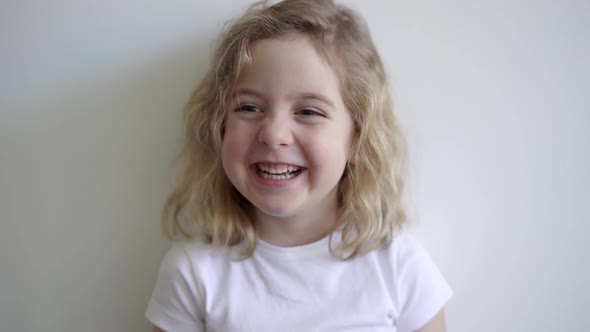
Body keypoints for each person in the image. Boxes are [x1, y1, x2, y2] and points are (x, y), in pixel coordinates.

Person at [145, 0, 452, 331]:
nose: (274, 135)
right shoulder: (193, 272)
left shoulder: (397, 266)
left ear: (357, 139)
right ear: (219, 127)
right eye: (248, 107)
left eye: (309, 112)